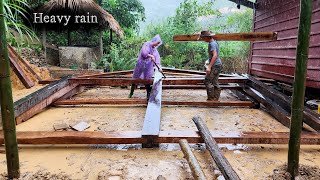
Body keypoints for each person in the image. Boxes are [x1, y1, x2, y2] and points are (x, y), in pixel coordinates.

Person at [128, 35, 163, 99]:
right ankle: (131, 93)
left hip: (148, 67)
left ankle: (148, 95)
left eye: (158, 44)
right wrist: (151, 56)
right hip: (140, 65)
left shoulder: (155, 50)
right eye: (157, 43)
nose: (157, 45)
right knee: (135, 79)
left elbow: (157, 59)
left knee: (147, 80)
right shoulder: (147, 44)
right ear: (154, 40)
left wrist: (159, 67)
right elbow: (144, 54)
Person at [201, 30, 223, 101]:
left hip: (215, 65)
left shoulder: (211, 44)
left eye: (203, 38)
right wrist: (208, 61)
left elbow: (215, 55)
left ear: (207, 37)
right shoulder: (214, 42)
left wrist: (209, 67)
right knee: (215, 81)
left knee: (207, 81)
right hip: (217, 64)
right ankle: (215, 98)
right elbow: (214, 55)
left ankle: (211, 99)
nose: (202, 39)